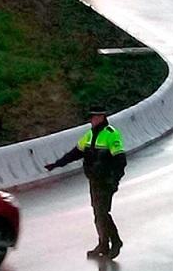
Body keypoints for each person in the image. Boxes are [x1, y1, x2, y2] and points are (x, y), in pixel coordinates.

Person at [45, 106, 127, 259]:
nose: (93, 119)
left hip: (106, 181)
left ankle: (115, 242)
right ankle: (103, 243)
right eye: (92, 117)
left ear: (103, 117)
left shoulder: (111, 134)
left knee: (102, 213)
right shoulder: (89, 135)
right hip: (94, 180)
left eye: (97, 117)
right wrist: (57, 164)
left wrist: (114, 180)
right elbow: (75, 153)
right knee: (98, 213)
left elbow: (120, 161)